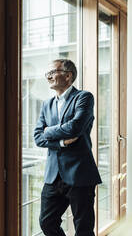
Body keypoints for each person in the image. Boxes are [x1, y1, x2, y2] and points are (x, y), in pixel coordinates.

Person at [34, 59, 102, 236]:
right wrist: (61, 142)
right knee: (47, 222)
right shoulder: (46, 104)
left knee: (84, 228)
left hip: (80, 173)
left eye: (52, 72)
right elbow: (37, 137)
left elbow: (76, 127)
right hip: (53, 176)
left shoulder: (84, 97)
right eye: (47, 73)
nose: (48, 76)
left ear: (68, 75)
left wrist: (48, 130)